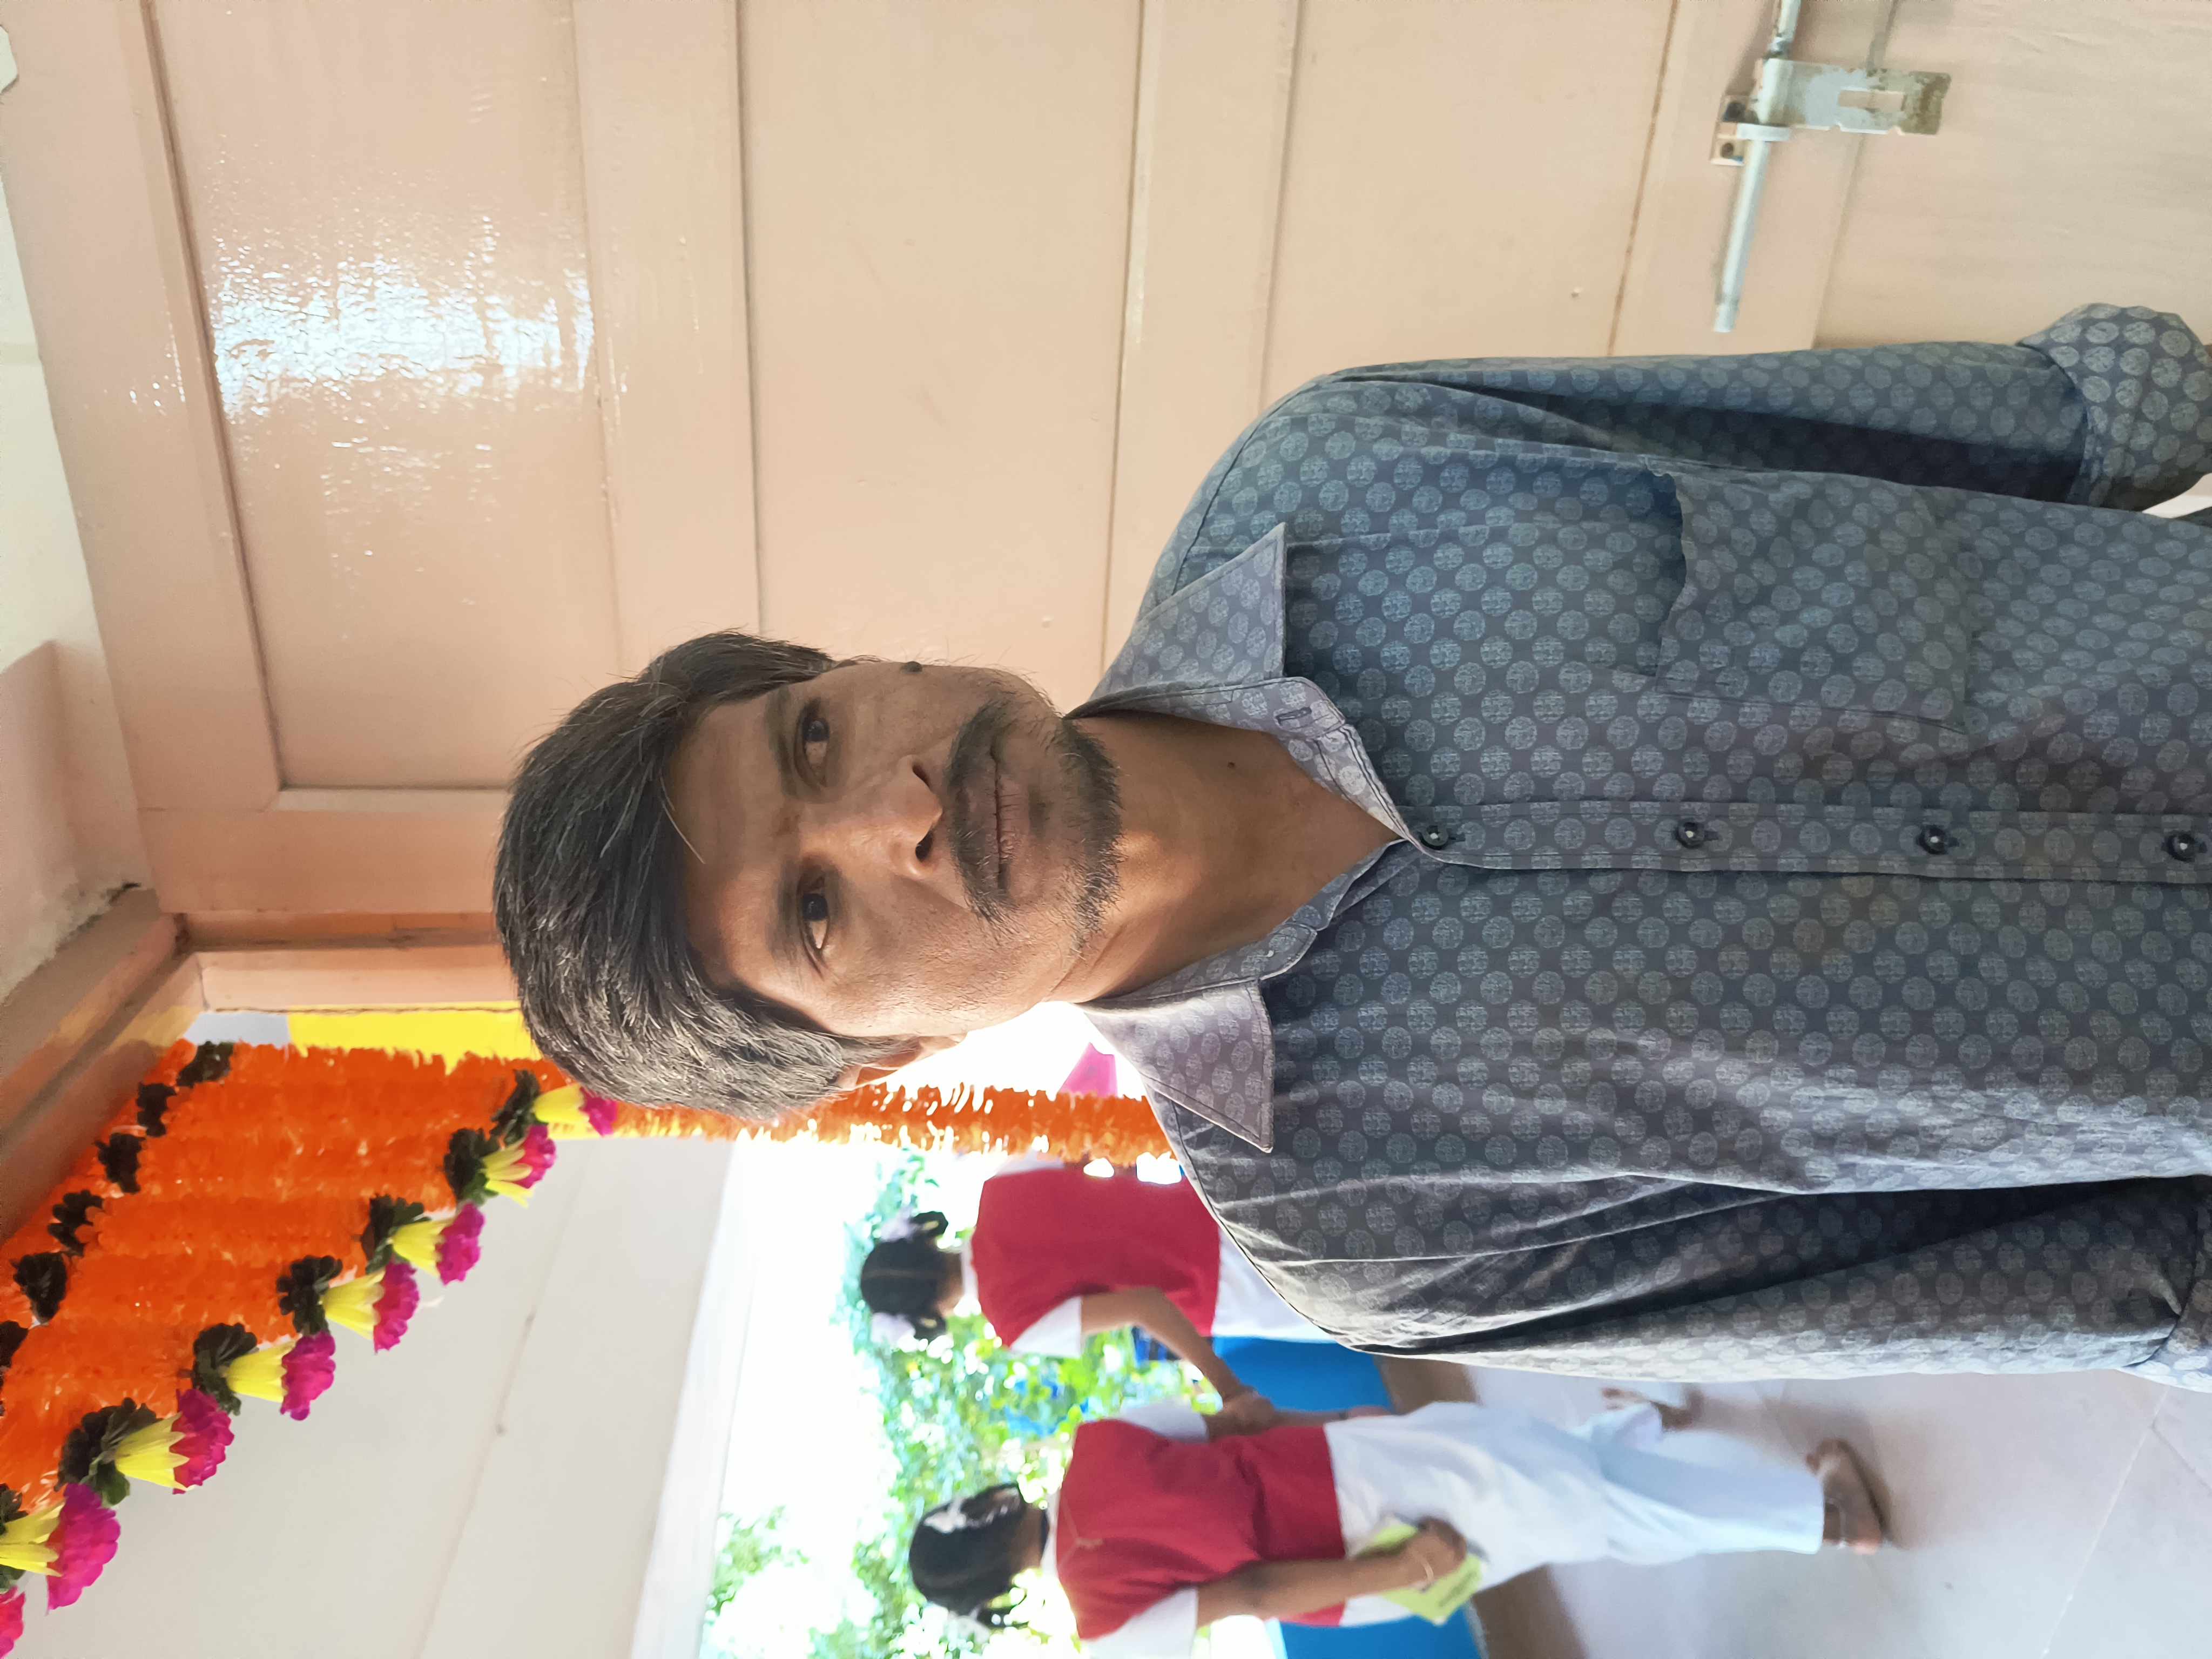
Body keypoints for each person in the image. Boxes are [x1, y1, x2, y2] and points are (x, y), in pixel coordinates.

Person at [495, 302, 2212, 1390]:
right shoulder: (1368, 1228)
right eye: (817, 910)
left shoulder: (1347, 477)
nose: (899, 812)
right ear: (888, 1053)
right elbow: (2084, 1284)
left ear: (853, 665)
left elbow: (2039, 423)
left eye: (814, 738)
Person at [905, 1390, 1883, 1656]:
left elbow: (1252, 1596)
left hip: (1351, 1575)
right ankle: (1829, 1518)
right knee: (1565, 1500)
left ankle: (1637, 1428)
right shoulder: (1096, 1443)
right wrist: (1345, 1422)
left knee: (1547, 1495)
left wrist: (1396, 1573)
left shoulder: (1103, 1626)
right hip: (1351, 1484)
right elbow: (1247, 1424)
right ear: (981, 1511)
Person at [857, 1158, 1331, 1403]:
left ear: (927, 1316)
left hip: (1231, 1290)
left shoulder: (1015, 1324)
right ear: (922, 1239)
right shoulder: (1002, 1185)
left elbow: (1145, 1305)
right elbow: (1103, 1135)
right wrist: (1128, 1193)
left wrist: (1231, 1390)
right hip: (1216, 1198)